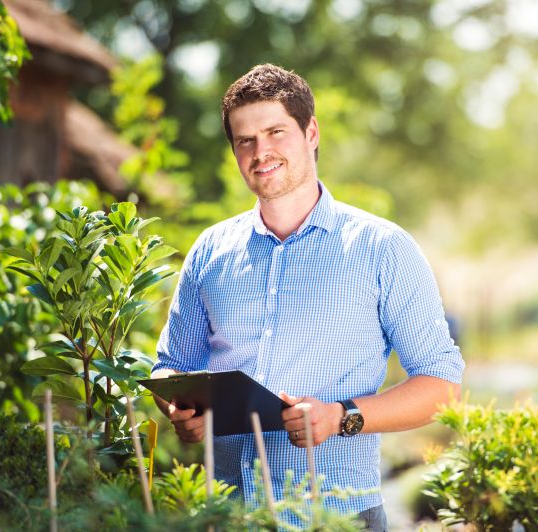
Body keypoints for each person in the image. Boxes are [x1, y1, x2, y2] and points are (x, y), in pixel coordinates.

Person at [151, 63, 464, 530]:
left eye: (276, 132)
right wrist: (182, 410)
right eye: (245, 140)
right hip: (228, 516)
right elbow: (171, 364)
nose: (262, 152)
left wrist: (342, 418)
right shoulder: (209, 252)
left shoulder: (383, 248)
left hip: (339, 517)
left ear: (311, 131)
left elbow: (442, 385)